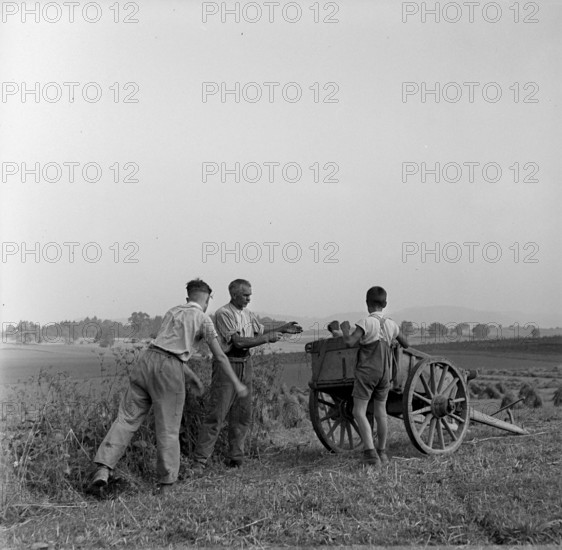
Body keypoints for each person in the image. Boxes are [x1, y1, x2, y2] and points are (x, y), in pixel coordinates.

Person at [90, 279, 248, 495]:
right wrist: (237, 383)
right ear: (208, 300)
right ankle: (167, 484)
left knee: (126, 419)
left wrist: (189, 374)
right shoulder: (203, 319)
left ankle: (103, 469)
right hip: (169, 371)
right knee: (168, 428)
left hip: (146, 362)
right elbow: (219, 355)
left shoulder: (172, 312)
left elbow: (166, 348)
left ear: (187, 298)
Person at [192, 279, 302, 471]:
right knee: (216, 415)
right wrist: (267, 338)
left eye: (250, 295)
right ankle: (199, 462)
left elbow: (259, 330)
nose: (249, 298)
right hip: (228, 365)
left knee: (242, 415)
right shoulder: (223, 313)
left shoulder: (248, 314)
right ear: (234, 295)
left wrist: (282, 328)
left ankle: (236, 459)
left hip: (246, 364)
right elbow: (238, 342)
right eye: (245, 295)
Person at [339, 286, 409, 469]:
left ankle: (370, 454)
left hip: (367, 372)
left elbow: (349, 342)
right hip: (385, 373)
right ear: (385, 304)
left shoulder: (365, 322)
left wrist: (345, 329)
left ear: (366, 303)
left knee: (358, 411)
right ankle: (382, 452)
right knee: (381, 412)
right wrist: (392, 336)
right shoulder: (391, 324)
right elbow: (406, 343)